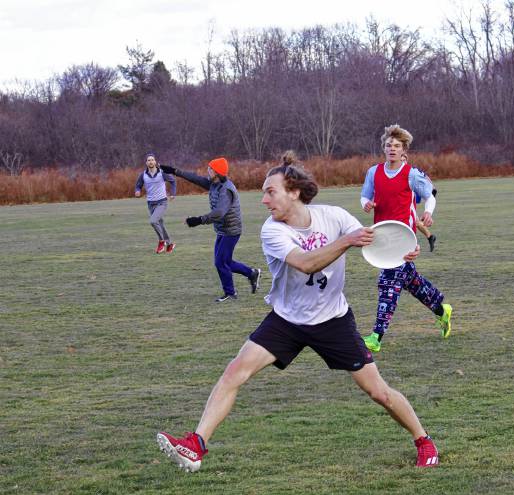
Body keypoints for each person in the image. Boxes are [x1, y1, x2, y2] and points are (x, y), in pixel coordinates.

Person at [156, 152, 440, 471]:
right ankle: (196, 444)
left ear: (293, 192)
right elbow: (306, 263)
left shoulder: (333, 217)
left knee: (379, 392)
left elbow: (373, 243)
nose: (264, 200)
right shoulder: (272, 231)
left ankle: (424, 441)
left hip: (333, 321)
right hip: (287, 320)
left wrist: (403, 250)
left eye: (270, 191)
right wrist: (346, 242)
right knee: (235, 371)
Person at [360, 124, 452, 352]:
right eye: (389, 145)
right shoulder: (374, 172)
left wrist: (428, 212)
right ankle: (442, 310)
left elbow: (429, 195)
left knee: (388, 283)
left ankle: (376, 336)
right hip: (383, 239)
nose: (392, 149)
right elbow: (364, 196)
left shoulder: (411, 174)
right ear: (384, 149)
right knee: (412, 282)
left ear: (404, 151)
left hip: (404, 239)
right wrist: (367, 204)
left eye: (397, 146)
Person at [160, 158, 261, 301]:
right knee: (224, 262)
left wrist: (198, 220)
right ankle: (251, 273)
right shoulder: (214, 183)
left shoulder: (226, 189)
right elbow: (195, 178)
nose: (208, 170)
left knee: (220, 263)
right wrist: (175, 171)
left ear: (217, 172)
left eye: (210, 169)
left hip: (231, 231)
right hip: (222, 229)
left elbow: (219, 212)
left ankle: (231, 293)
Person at [134, 153, 177, 254]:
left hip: (162, 202)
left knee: (153, 221)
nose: (150, 162)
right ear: (146, 163)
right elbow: (138, 185)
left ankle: (162, 241)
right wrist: (137, 191)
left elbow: (173, 181)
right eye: (149, 160)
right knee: (159, 223)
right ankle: (170, 243)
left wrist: (172, 194)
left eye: (152, 160)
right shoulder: (143, 175)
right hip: (150, 204)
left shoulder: (162, 173)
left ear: (155, 161)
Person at [402, 154, 438, 252]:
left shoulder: (413, 171)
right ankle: (430, 237)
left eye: (404, 160)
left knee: (414, 221)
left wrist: (432, 191)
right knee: (416, 222)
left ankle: (412, 244)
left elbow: (426, 178)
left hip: (413, 196)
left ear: (407, 160)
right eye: (401, 160)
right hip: (408, 197)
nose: (402, 161)